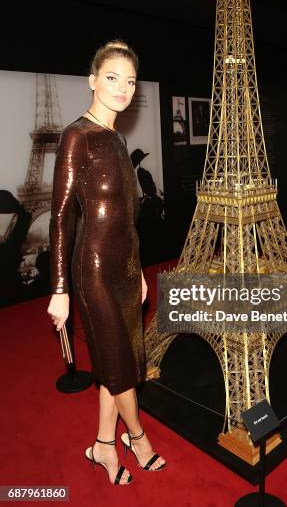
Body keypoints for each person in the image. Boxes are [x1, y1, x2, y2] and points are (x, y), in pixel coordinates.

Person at [46, 40, 166, 486]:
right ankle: (137, 437)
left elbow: (128, 220)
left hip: (122, 269)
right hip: (92, 271)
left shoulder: (116, 138)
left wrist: (136, 273)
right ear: (93, 81)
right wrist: (60, 289)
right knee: (122, 368)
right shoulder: (78, 136)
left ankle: (102, 445)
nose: (123, 88)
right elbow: (60, 217)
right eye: (112, 78)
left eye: (130, 81)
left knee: (117, 363)